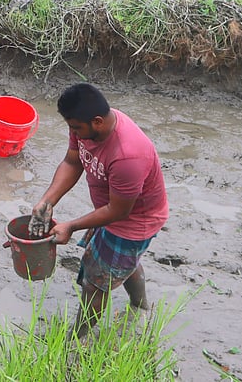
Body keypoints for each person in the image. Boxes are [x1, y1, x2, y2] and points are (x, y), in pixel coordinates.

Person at [28, 83, 169, 338]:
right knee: (124, 263)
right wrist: (47, 201)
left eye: (75, 128)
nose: (73, 133)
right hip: (109, 209)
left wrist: (70, 226)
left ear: (98, 122)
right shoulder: (85, 126)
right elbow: (72, 161)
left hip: (133, 223)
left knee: (96, 282)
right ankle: (140, 306)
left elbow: (118, 212)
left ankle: (75, 337)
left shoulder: (128, 155)